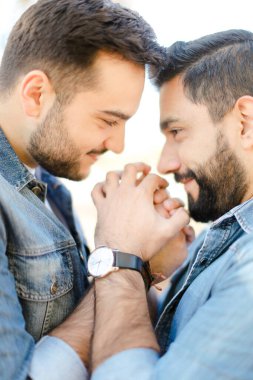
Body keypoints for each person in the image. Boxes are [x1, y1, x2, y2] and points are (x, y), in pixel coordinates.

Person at [0, 0, 171, 379]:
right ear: (36, 95)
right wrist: (125, 255)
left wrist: (146, 258)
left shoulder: (50, 188)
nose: (119, 145)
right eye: (108, 120)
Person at [88, 29, 253, 379]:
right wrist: (155, 266)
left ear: (246, 123)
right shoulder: (228, 246)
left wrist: (119, 254)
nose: (165, 164)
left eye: (177, 132)